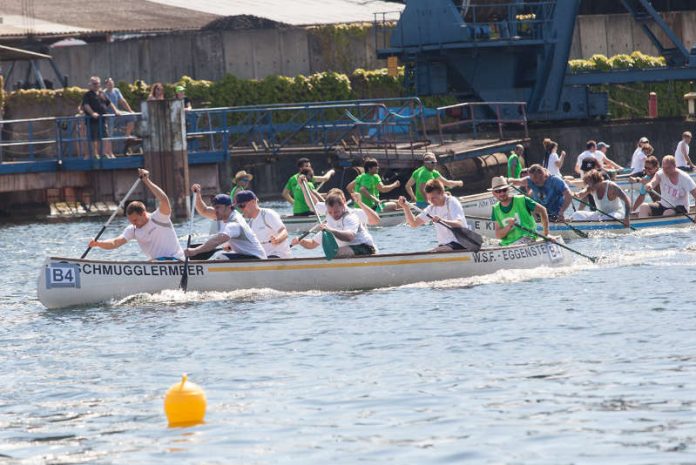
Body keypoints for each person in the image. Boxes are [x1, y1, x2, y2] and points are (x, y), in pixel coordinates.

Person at [88, 169, 183, 260]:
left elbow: (164, 200)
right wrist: (98, 244)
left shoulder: (159, 218)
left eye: (135, 220)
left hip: (176, 260)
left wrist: (147, 181)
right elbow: (115, 243)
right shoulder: (133, 230)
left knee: (153, 262)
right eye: (131, 221)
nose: (134, 224)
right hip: (157, 264)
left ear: (143, 213)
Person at [185, 189, 267, 260]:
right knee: (221, 255)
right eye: (214, 207)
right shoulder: (225, 214)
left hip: (256, 258)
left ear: (228, 207)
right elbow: (204, 210)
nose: (215, 210)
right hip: (248, 256)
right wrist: (197, 195)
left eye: (217, 207)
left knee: (221, 257)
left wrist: (195, 251)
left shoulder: (234, 223)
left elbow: (217, 240)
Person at [292, 192, 378, 257]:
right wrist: (300, 241)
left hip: (366, 248)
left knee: (336, 252)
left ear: (343, 206)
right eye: (330, 212)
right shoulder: (329, 221)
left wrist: (330, 230)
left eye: (336, 211)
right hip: (350, 250)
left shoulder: (350, 217)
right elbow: (312, 244)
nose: (333, 215)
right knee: (333, 252)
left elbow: (349, 237)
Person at [398, 179, 470, 252]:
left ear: (442, 193)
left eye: (433, 198)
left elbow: (460, 224)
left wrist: (442, 220)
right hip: (445, 246)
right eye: (429, 199)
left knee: (433, 251)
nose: (431, 201)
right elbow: (413, 223)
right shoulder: (432, 208)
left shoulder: (452, 202)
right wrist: (405, 207)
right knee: (431, 251)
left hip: (461, 242)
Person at [489, 176, 549, 246]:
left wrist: (546, 233)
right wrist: (509, 226)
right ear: (494, 193)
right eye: (498, 191)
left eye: (504, 190)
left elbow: (542, 210)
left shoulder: (522, 199)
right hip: (508, 243)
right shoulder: (495, 209)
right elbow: (498, 235)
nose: (502, 193)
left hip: (527, 237)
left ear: (508, 189)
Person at [234, 190, 290, 259]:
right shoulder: (250, 223)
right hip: (263, 258)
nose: (241, 210)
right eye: (238, 207)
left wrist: (278, 239)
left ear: (253, 202)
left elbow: (284, 232)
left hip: (278, 256)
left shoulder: (267, 214)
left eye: (242, 206)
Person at [508, 164, 573, 222]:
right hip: (539, 214)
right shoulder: (530, 180)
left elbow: (569, 195)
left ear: (542, 174)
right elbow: (516, 181)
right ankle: (535, 220)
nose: (534, 181)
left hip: (555, 215)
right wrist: (505, 180)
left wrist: (561, 211)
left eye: (536, 178)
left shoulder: (555, 181)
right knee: (524, 200)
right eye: (532, 179)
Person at [82, 76, 120, 159]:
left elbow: (109, 103)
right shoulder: (87, 95)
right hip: (92, 120)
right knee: (93, 138)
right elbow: (86, 105)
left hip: (102, 120)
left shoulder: (102, 93)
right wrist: (92, 113)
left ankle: (104, 153)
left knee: (104, 136)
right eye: (94, 84)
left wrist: (116, 111)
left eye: (98, 84)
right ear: (90, 85)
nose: (96, 85)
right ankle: (95, 154)